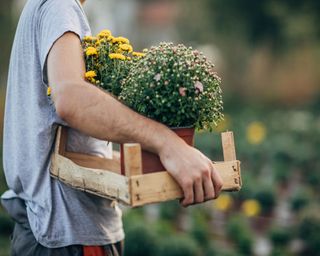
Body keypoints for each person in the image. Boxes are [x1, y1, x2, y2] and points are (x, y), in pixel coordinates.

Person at [1, 0, 223, 255]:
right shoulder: (58, 5)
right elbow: (71, 98)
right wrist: (168, 143)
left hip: (53, 229)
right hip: (68, 237)